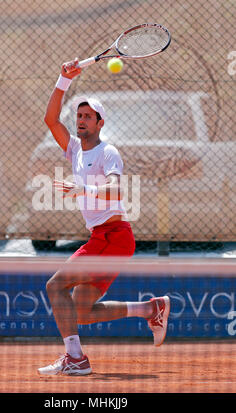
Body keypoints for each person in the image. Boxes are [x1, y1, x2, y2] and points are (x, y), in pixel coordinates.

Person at [38, 58, 170, 376]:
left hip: (113, 237)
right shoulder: (74, 150)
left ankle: (76, 359)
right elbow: (50, 119)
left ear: (99, 123)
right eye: (79, 116)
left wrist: (81, 186)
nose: (81, 120)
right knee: (81, 311)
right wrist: (62, 79)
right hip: (103, 238)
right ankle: (151, 308)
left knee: (55, 287)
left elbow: (115, 191)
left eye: (88, 116)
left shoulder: (109, 152)